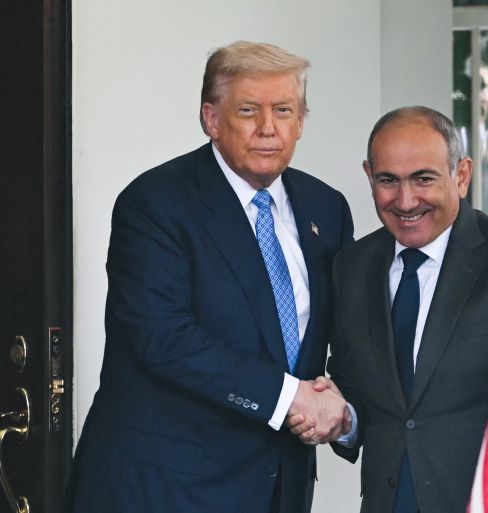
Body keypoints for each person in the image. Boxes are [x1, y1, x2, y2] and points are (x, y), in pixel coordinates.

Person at [64, 41, 353, 513]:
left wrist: (343, 409)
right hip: (168, 489)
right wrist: (290, 398)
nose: (267, 128)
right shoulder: (155, 204)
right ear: (211, 119)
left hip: (280, 488)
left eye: (283, 110)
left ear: (300, 122)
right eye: (247, 110)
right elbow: (164, 337)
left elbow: (345, 332)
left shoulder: (327, 208)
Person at [291, 106, 488, 512]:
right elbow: (361, 388)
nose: (405, 200)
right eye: (388, 180)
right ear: (369, 176)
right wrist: (344, 418)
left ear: (462, 175)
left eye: (423, 178)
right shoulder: (353, 266)